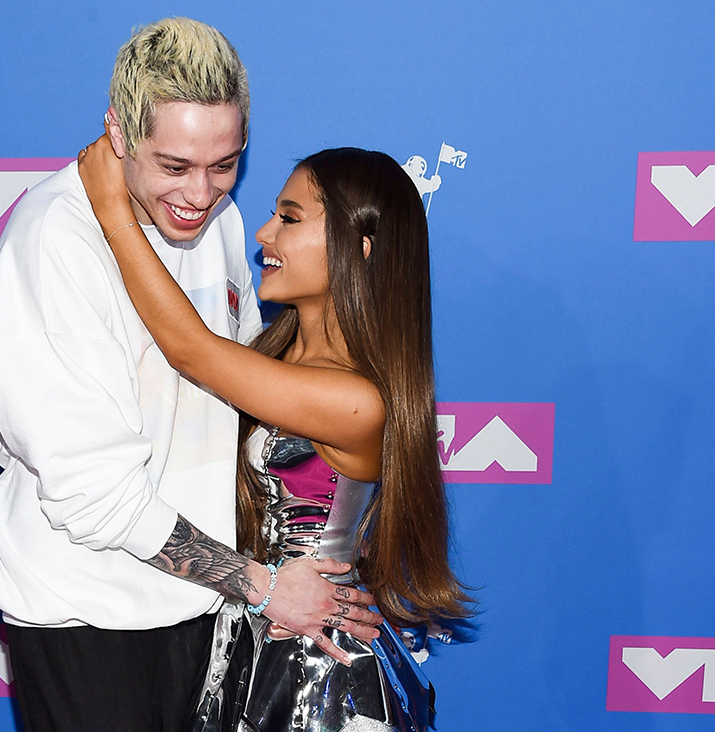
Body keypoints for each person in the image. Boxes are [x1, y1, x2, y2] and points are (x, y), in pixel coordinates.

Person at [0, 18, 383, 732]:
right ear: (119, 134)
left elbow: (233, 382)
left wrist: (324, 567)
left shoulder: (217, 219)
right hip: (93, 624)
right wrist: (261, 586)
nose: (201, 193)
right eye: (174, 166)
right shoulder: (54, 242)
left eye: (225, 164)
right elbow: (94, 494)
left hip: (209, 618)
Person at [79, 139, 474, 731]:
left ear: (360, 248)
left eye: (289, 219)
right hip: (253, 640)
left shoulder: (357, 400)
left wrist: (112, 209)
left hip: (321, 666)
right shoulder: (274, 355)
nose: (264, 233)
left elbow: (191, 351)